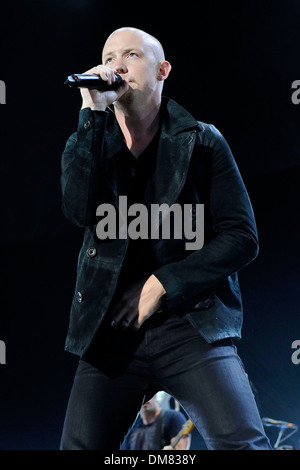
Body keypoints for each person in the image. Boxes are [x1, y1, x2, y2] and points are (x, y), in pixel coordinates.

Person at [60, 26, 272, 450]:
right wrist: (93, 115)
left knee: (243, 443)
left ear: (162, 70)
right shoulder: (87, 141)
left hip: (190, 326)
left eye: (131, 55)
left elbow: (241, 237)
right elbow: (80, 212)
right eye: (108, 57)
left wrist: (162, 284)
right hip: (112, 334)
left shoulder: (203, 142)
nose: (115, 64)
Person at [121, 394, 191, 450]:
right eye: (140, 395)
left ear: (155, 395)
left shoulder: (173, 417)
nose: (145, 398)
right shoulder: (131, 429)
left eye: (148, 394)